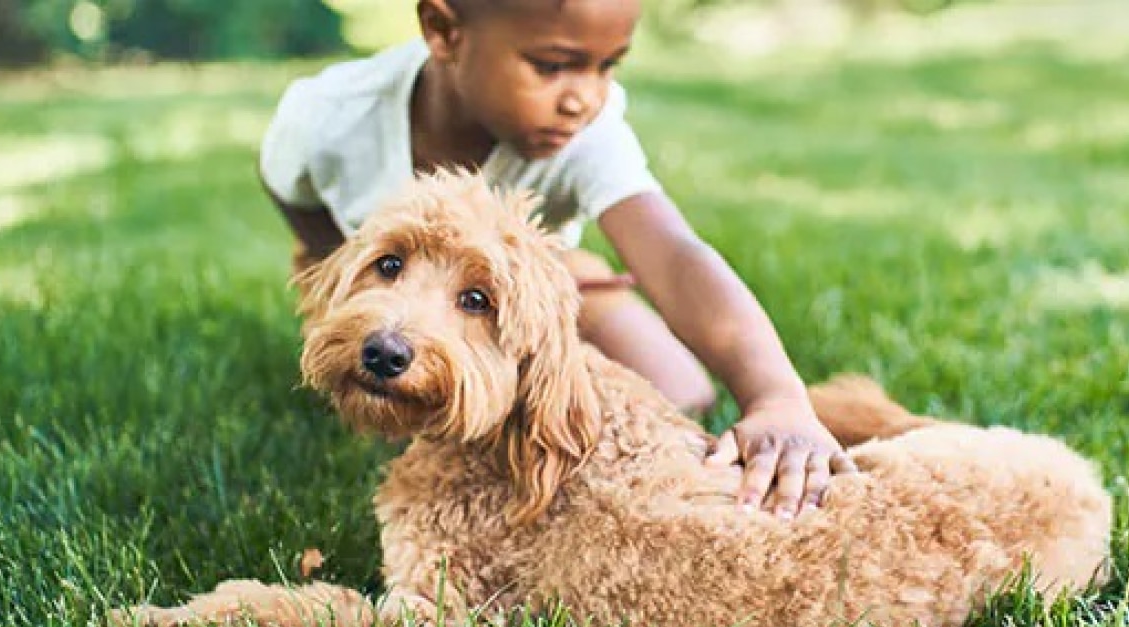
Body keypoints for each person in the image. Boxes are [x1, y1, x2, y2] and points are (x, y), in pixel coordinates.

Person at [258, 0, 852, 518]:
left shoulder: (583, 135)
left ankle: (577, 280)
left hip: (531, 298)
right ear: (444, 31)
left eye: (607, 64)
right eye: (551, 65)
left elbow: (673, 255)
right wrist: (340, 286)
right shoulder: (329, 119)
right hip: (431, 295)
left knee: (682, 391)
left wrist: (776, 394)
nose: (585, 98)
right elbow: (297, 199)